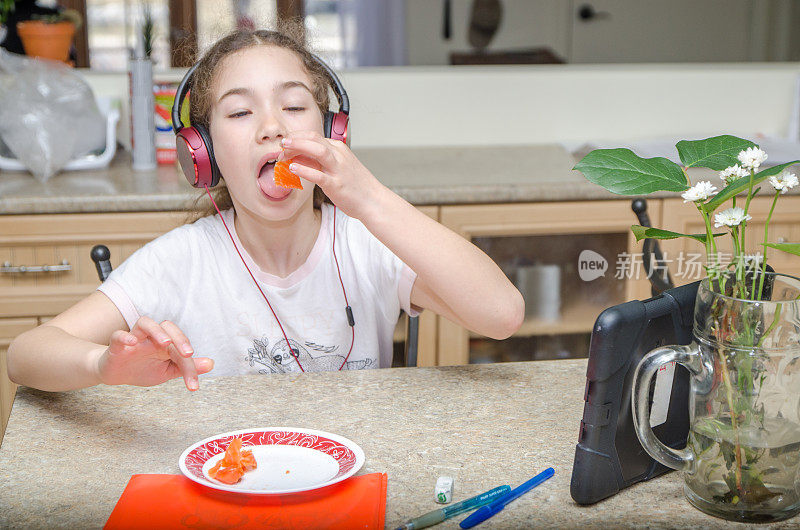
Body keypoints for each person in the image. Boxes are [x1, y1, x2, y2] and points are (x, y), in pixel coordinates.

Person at [7, 24, 524, 393]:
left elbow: (501, 315)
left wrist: (369, 198)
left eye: (295, 106)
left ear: (330, 132)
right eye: (239, 111)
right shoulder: (181, 262)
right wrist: (103, 365)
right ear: (203, 152)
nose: (273, 126)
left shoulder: (365, 244)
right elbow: (24, 355)